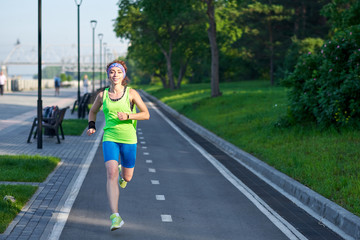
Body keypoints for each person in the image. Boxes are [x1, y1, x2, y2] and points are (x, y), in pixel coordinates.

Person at [86, 60, 150, 231]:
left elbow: (146, 114)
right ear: (108, 75)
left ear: (124, 75)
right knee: (111, 173)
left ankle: (124, 174)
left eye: (118, 72)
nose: (115, 75)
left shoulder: (131, 94)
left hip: (129, 139)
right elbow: (93, 111)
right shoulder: (102, 95)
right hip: (110, 137)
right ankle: (115, 216)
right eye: (112, 72)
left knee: (127, 177)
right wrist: (91, 126)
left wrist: (129, 116)